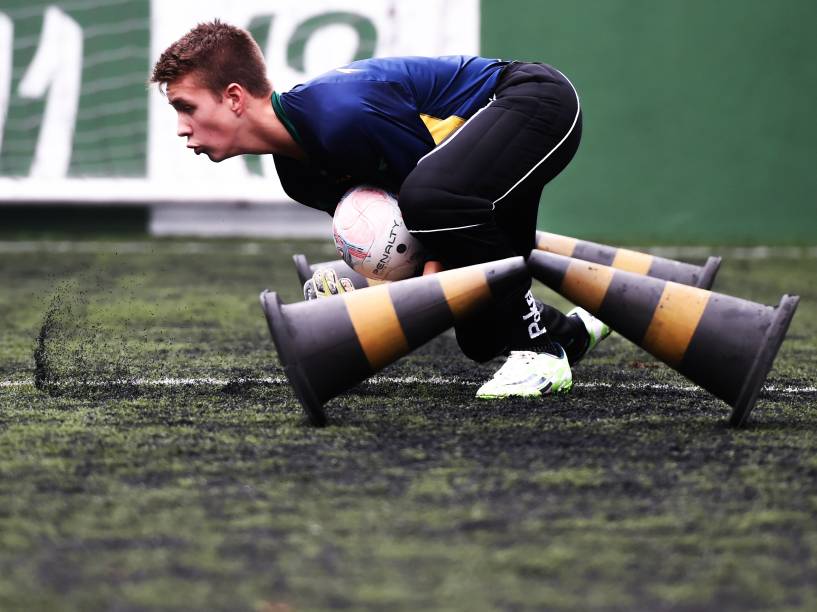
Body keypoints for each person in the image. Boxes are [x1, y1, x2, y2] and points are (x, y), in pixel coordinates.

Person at [150, 20, 610, 399]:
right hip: (473, 171)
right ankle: (571, 333)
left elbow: (429, 195)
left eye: (186, 107)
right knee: (480, 334)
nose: (180, 129)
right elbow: (401, 240)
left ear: (233, 97)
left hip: (534, 100)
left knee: (434, 205)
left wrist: (426, 272)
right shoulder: (298, 176)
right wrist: (362, 288)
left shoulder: (339, 113)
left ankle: (543, 354)